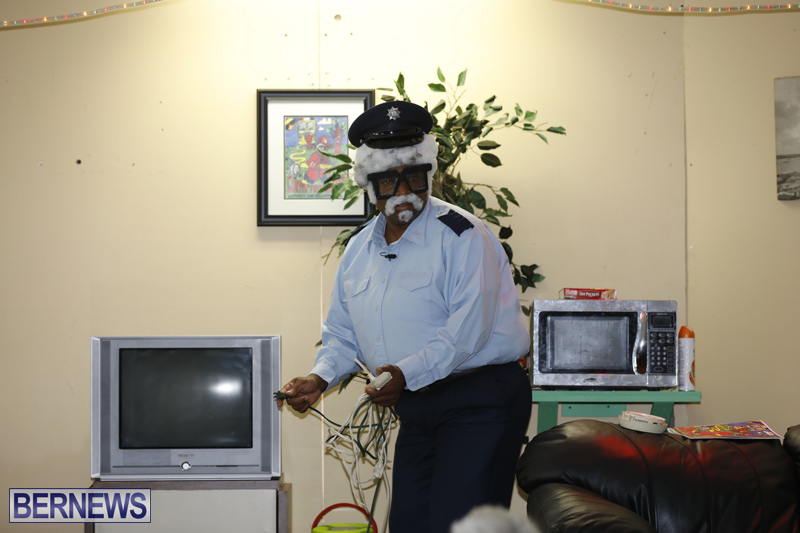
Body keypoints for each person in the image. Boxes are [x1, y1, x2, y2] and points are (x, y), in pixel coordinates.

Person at [277, 100, 532, 532]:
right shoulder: (358, 250)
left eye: (414, 177)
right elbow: (341, 333)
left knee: (461, 525)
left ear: (428, 174)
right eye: (388, 182)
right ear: (368, 185)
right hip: (418, 403)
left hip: (480, 400)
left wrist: (403, 373)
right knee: (409, 523)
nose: (404, 192)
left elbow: (467, 332)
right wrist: (320, 378)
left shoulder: (463, 235)